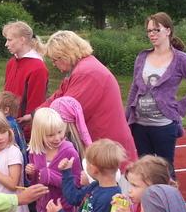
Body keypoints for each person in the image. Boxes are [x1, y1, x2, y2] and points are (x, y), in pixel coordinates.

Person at [125, 13, 186, 171]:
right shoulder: (142, 57)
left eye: (156, 30)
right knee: (144, 171)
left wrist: (180, 107)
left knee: (165, 171)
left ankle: (168, 189)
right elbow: (134, 88)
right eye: (149, 31)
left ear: (168, 31)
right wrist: (126, 116)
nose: (152, 34)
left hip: (164, 126)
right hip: (140, 126)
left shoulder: (181, 59)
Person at [44, 30, 137, 167]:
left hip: (108, 148)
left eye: (54, 60)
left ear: (65, 55)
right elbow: (58, 96)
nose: (53, 64)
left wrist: (39, 119)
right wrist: (34, 113)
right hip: (104, 145)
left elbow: (64, 112)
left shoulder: (86, 73)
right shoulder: (81, 69)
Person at [3, 20, 49, 139]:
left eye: (9, 40)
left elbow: (36, 104)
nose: (6, 44)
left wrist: (28, 135)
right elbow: (5, 95)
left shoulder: (38, 68)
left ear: (22, 40)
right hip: (8, 127)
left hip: (24, 132)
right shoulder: (11, 63)